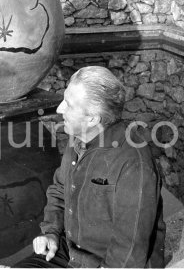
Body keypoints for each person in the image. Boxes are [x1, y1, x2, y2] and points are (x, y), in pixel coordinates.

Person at [16, 66, 165, 268]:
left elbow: (129, 250)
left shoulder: (133, 164)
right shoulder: (79, 138)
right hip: (70, 253)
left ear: (93, 118)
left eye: (68, 104)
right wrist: (51, 233)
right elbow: (60, 191)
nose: (59, 109)